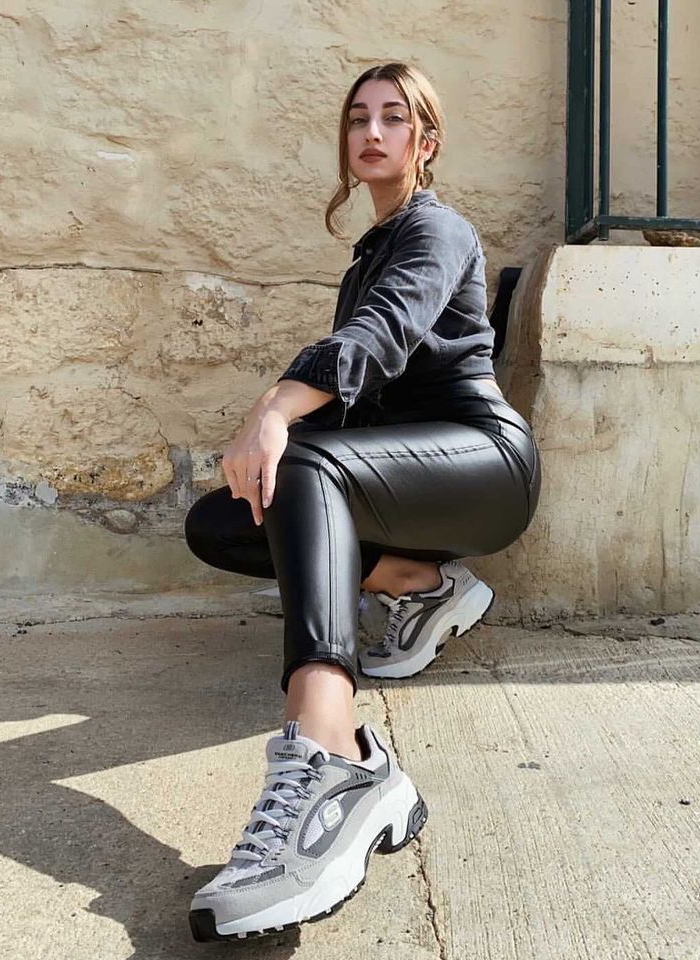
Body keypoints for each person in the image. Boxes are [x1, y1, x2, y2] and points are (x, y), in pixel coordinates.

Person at [183, 62, 541, 941]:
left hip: (484, 464)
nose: (372, 133)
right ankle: (417, 582)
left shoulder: (438, 229)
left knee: (303, 463)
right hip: (401, 477)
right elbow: (358, 384)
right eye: (357, 119)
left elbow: (379, 337)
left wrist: (274, 410)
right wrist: (281, 435)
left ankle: (334, 757)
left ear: (426, 142)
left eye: (393, 118)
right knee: (227, 517)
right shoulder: (370, 252)